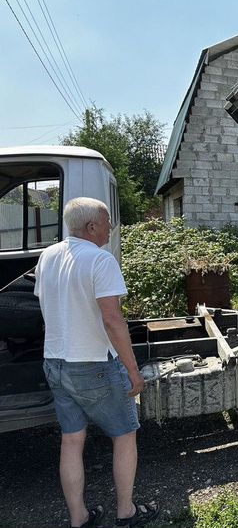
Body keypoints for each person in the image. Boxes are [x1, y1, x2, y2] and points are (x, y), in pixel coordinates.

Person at [34, 197, 159, 528]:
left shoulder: (48, 256)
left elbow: (50, 309)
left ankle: (80, 519)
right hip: (93, 365)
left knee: (72, 440)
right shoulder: (100, 260)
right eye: (107, 223)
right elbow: (112, 320)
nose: (110, 229)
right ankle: (126, 512)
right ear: (91, 227)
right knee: (124, 434)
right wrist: (133, 371)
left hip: (55, 362)